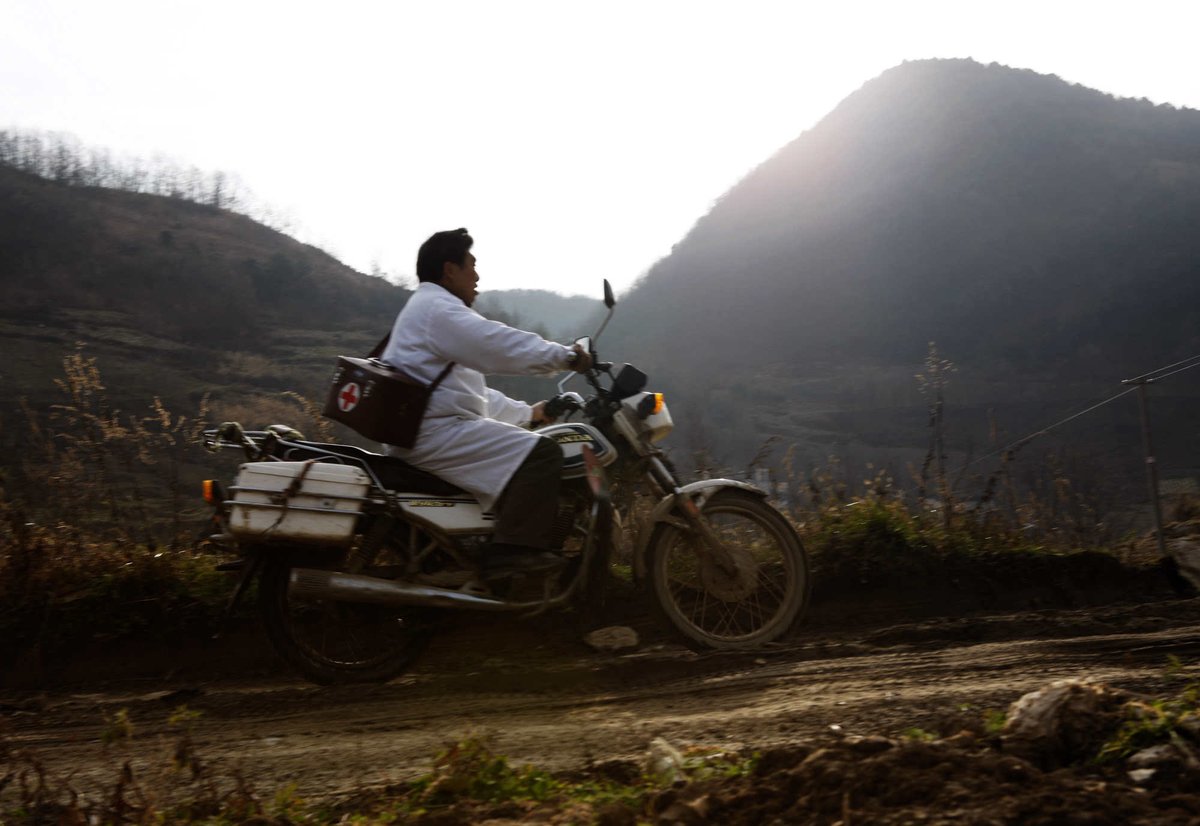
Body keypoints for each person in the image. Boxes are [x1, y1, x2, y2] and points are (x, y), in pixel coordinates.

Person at [381, 228, 592, 574]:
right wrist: (565, 357)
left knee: (530, 447)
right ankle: (513, 553)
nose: (477, 276)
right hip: (433, 434)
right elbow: (496, 344)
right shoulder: (439, 309)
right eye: (471, 266)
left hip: (431, 428)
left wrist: (527, 413)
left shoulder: (428, 308)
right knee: (542, 454)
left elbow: (465, 391)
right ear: (450, 270)